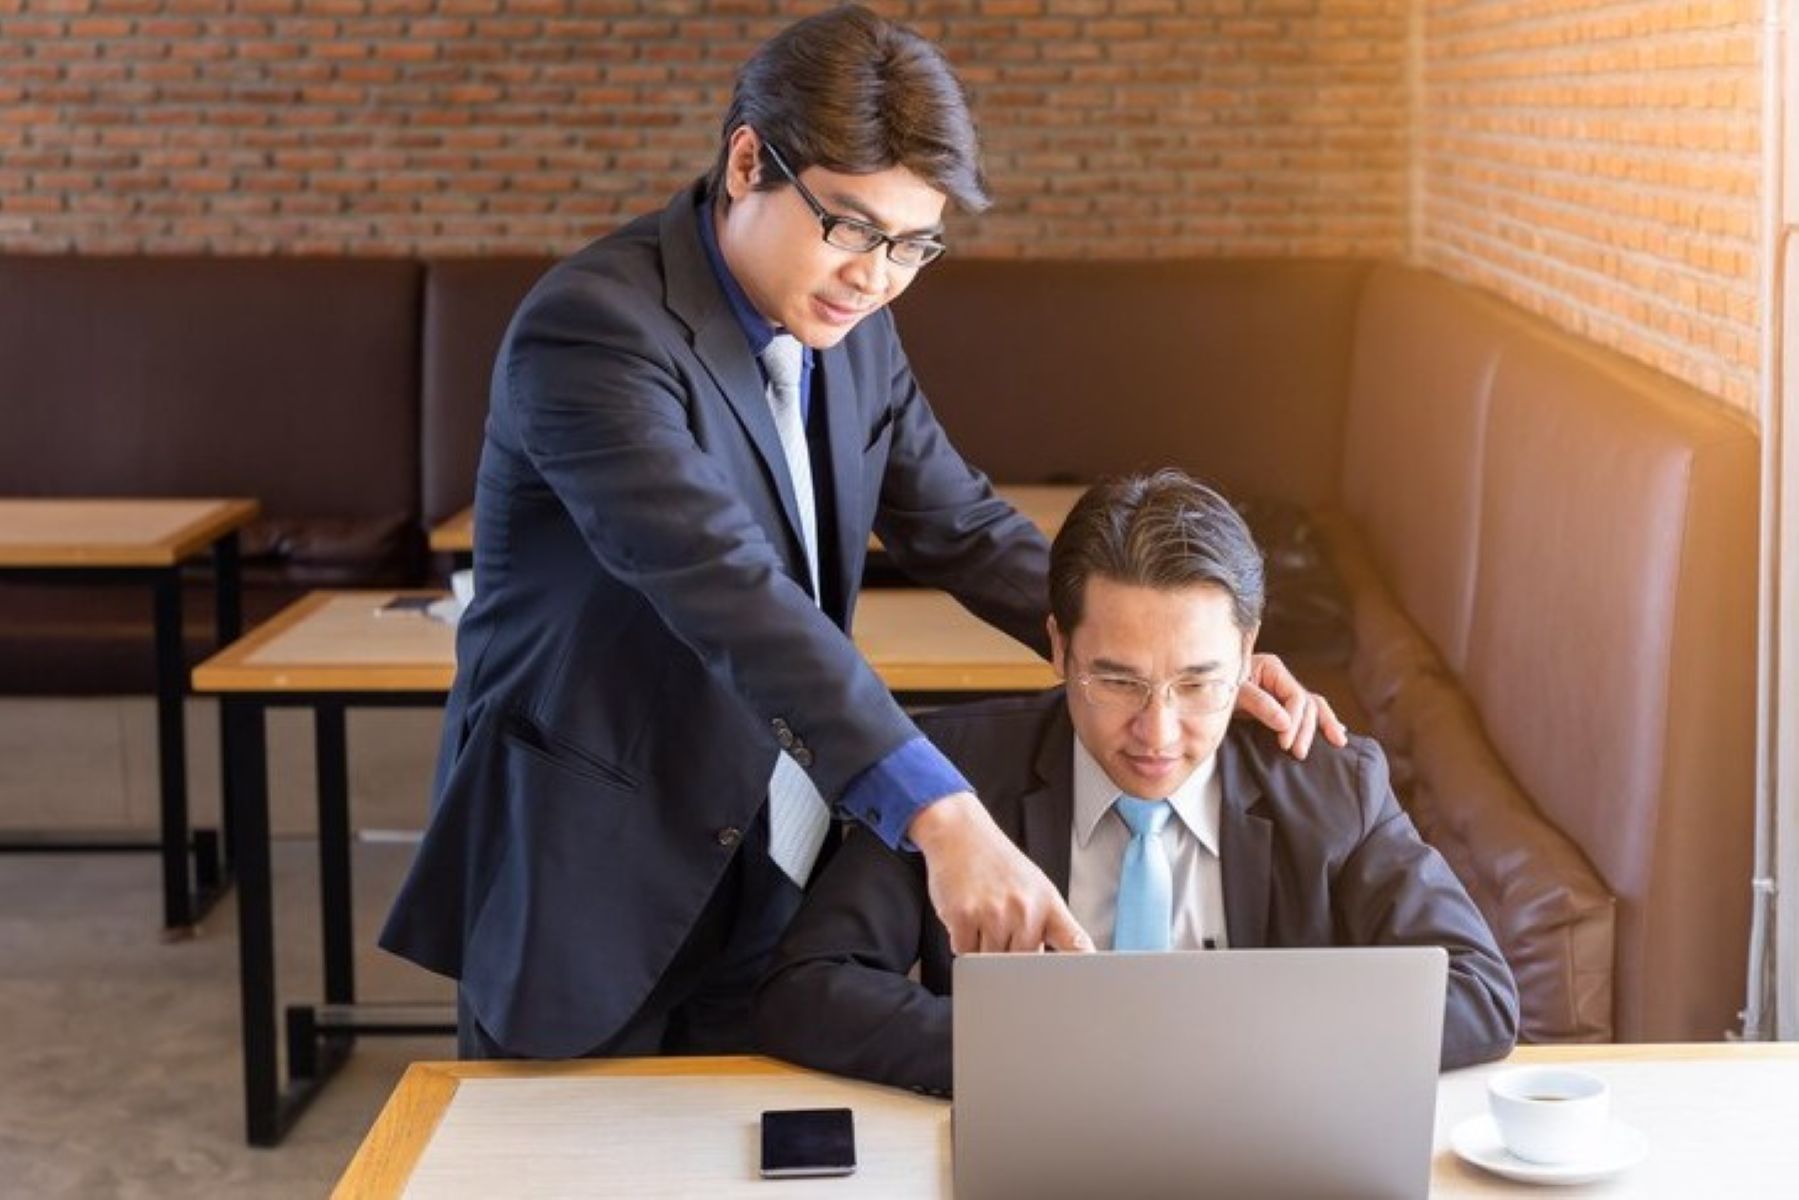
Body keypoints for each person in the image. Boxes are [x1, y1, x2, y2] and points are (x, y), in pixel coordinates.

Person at [379, 6, 1343, 1061]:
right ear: (747, 161)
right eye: (849, 228)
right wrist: (942, 814)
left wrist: (1159, 656)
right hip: (593, 870)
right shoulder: (593, 333)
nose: (876, 276)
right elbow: (733, 594)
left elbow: (959, 525)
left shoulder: (853, 330)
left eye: (913, 244)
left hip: (774, 851)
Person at [754, 471, 1518, 1094]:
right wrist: (1048, 1058)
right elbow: (810, 991)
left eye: (1196, 684)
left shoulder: (1329, 784)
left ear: (1248, 649)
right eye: (1115, 682)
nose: (1157, 734)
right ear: (1057, 646)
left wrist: (1231, 1053)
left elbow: (1479, 994)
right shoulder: (955, 777)